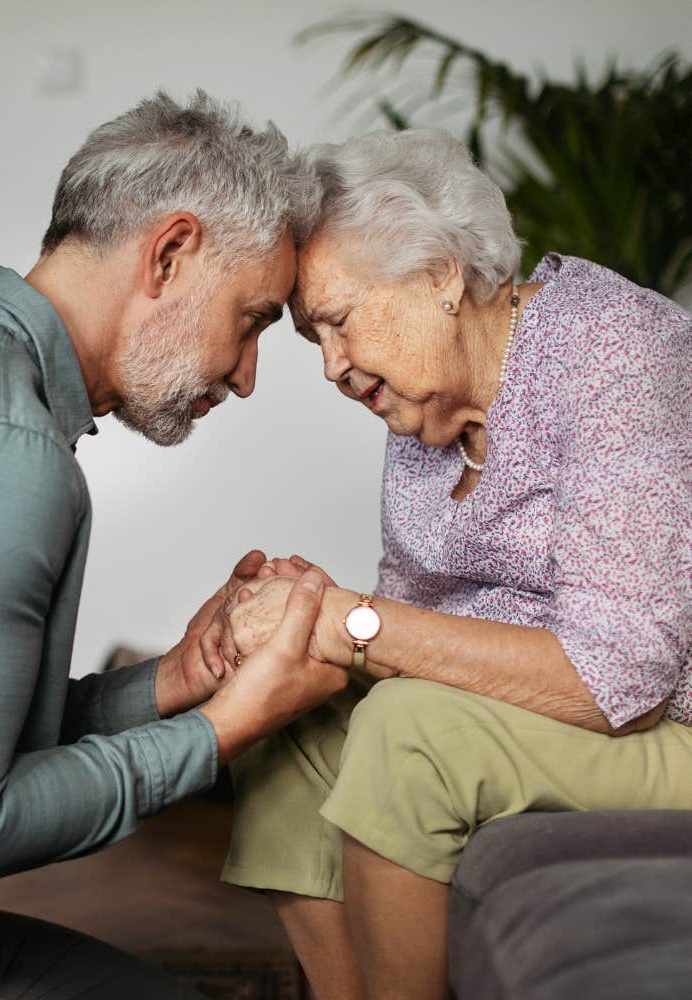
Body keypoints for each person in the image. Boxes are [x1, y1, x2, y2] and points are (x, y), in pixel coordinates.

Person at [0, 91, 345, 999]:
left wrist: (173, 682)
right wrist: (219, 733)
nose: (246, 376)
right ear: (171, 253)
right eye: (253, 319)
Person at [212, 128, 692, 1000]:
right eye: (314, 339)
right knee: (286, 713)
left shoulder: (613, 352)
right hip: (560, 714)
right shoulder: (426, 410)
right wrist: (306, 613)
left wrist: (352, 621)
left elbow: (618, 679)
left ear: (439, 273)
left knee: (408, 733)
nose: (331, 366)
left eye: (339, 321)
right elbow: (411, 631)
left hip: (666, 724)